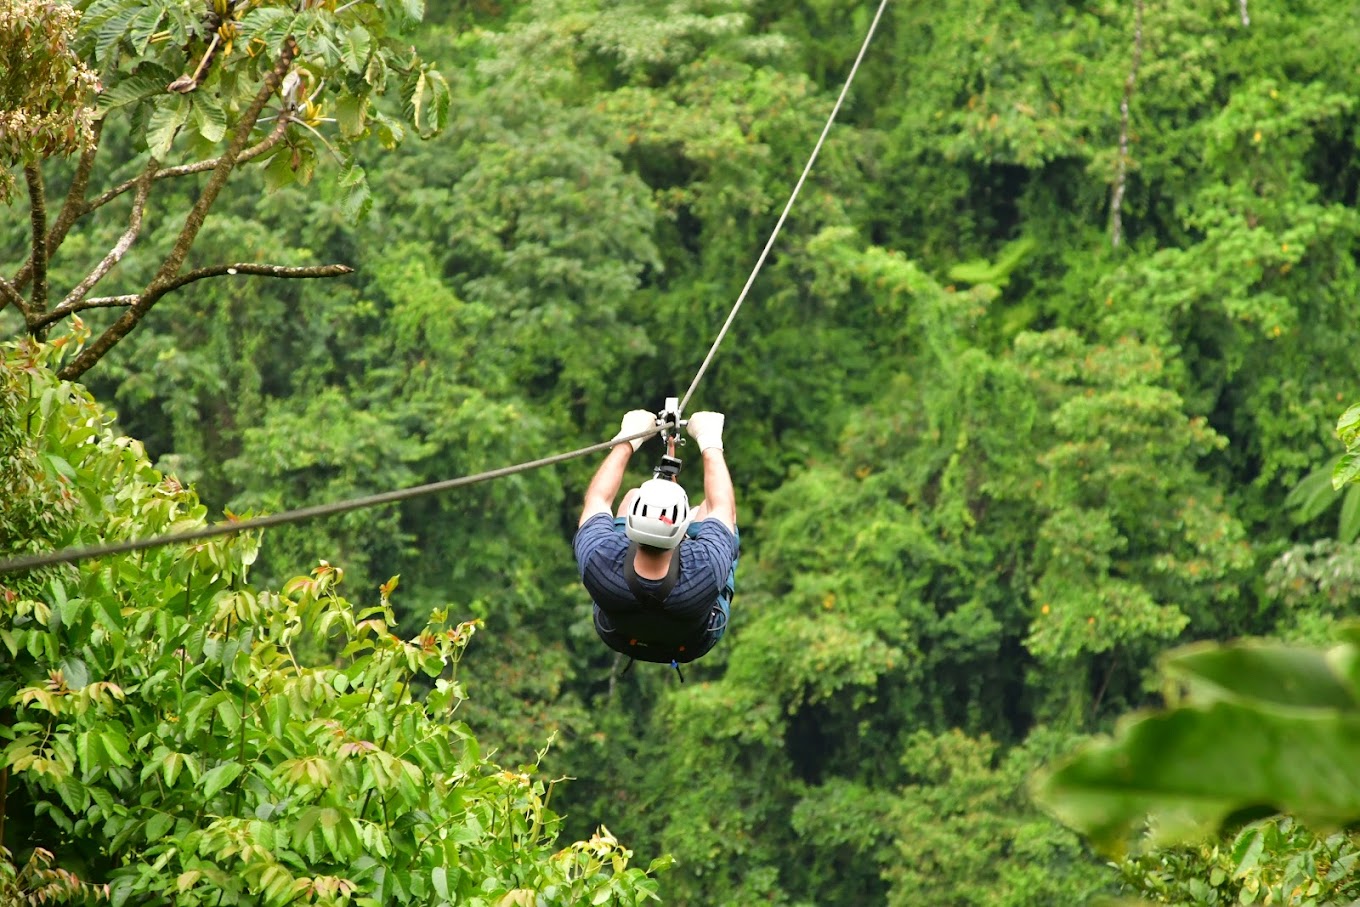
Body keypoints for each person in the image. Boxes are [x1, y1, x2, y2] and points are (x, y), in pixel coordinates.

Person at [573, 409, 739, 667]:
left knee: (631, 495)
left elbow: (597, 499)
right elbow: (723, 508)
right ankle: (694, 519)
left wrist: (627, 439)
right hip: (693, 641)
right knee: (710, 510)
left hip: (620, 635)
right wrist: (710, 443)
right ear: (681, 531)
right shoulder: (704, 567)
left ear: (632, 524)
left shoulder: (600, 558)